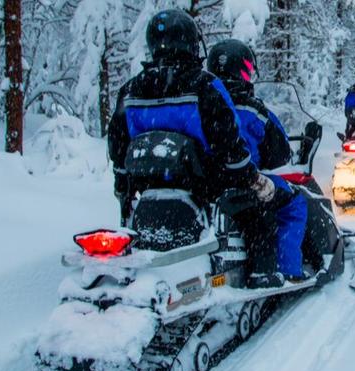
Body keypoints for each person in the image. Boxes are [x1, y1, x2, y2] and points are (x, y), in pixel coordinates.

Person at [107, 9, 292, 289]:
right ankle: (261, 275)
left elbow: (118, 146)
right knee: (260, 215)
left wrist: (123, 186)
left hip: (147, 187)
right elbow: (228, 142)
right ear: (191, 42)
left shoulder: (131, 90)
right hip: (206, 185)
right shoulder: (204, 86)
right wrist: (249, 177)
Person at [205, 38, 309, 285]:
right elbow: (280, 152)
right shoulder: (253, 110)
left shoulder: (201, 102)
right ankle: (288, 268)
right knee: (295, 203)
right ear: (244, 70)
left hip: (207, 183)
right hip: (245, 179)